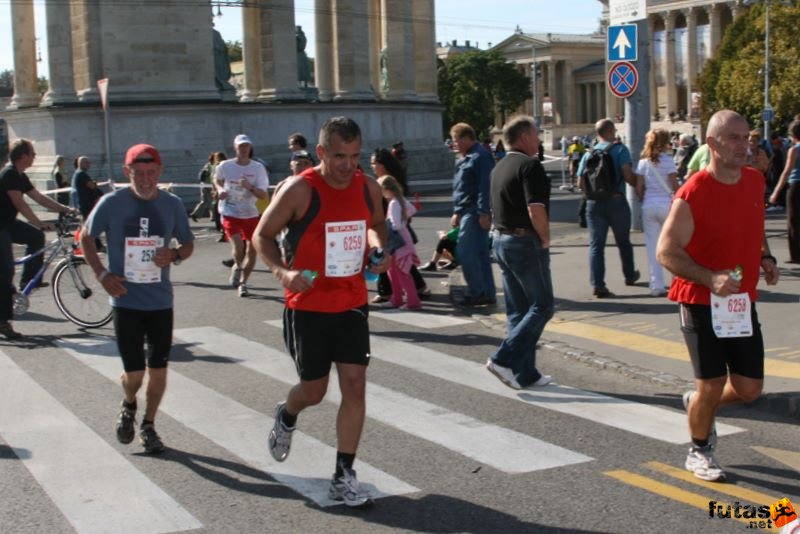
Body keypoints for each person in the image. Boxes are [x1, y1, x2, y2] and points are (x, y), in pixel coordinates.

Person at [253, 116, 389, 508]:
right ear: (322, 152)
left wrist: (379, 249)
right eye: (340, 156)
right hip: (308, 304)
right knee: (314, 390)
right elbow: (262, 234)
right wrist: (283, 271)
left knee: (355, 384)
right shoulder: (300, 190)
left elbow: (377, 224)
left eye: (356, 155)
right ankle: (288, 413)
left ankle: (344, 475)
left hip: (351, 301)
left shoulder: (367, 187)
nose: (349, 165)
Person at [656, 110, 779, 483]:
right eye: (735, 138)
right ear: (712, 144)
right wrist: (710, 278)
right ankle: (699, 449)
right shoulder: (694, 191)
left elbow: (754, 224)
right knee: (710, 383)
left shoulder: (755, 181)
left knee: (748, 388)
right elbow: (666, 251)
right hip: (698, 298)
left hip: (739, 302)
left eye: (747, 137)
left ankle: (697, 406)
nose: (746, 145)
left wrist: (765, 255)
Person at [80, 143, 194, 453]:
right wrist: (102, 275)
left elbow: (187, 244)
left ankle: (149, 425)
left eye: (151, 173)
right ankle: (129, 402)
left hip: (160, 302)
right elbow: (86, 236)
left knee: (158, 370)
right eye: (138, 173)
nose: (145, 180)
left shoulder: (171, 204)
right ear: (126, 172)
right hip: (125, 300)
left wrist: (173, 254)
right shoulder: (112, 202)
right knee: (134, 375)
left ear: (160, 172)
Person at [486, 116, 554, 389]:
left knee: (518, 310)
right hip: (525, 243)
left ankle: (526, 373)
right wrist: (546, 238)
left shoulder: (499, 167)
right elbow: (535, 209)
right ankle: (503, 358)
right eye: (536, 135)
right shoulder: (530, 166)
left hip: (501, 240)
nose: (539, 140)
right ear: (524, 137)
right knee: (543, 306)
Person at [0, 139, 74, 339]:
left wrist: (65, 208)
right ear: (23, 156)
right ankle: (3, 322)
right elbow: (19, 202)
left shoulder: (20, 175)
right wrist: (37, 221)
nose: (35, 157)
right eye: (33, 153)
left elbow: (39, 197)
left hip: (8, 223)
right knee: (6, 270)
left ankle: (27, 284)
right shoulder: (8, 174)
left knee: (36, 237)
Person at [577, 118, 640, 298]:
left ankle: (598, 284)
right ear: (612, 131)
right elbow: (628, 176)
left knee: (596, 245)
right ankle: (629, 275)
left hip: (594, 204)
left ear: (598, 133)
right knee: (623, 241)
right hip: (616, 201)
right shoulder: (620, 149)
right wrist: (640, 185)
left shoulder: (588, 154)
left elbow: (580, 182)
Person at [369, 148, 430, 303]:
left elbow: (397, 219)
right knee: (396, 268)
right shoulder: (391, 185)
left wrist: (395, 221)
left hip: (391, 233)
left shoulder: (390, 187)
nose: (372, 166)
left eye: (374, 163)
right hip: (395, 232)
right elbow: (410, 209)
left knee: (393, 265)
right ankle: (400, 293)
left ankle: (403, 296)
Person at [214, 134, 269, 297]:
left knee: (252, 251)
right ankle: (238, 265)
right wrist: (220, 190)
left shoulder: (257, 168)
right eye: (241, 147)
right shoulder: (225, 165)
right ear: (235, 149)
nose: (244, 150)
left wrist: (249, 186)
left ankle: (243, 283)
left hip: (250, 213)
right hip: (230, 211)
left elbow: (262, 194)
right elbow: (217, 179)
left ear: (250, 148)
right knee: (239, 246)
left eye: (246, 146)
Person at [450, 122, 496, 306]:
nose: (454, 144)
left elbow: (484, 188)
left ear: (467, 138)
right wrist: (458, 211)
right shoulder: (468, 156)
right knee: (480, 254)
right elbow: (463, 188)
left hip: (475, 211)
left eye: (456, 140)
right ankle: (486, 292)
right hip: (468, 210)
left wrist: (484, 212)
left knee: (466, 252)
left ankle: (477, 291)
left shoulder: (480, 157)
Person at [634, 129, 679, 297]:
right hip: (667, 206)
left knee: (653, 247)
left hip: (649, 206)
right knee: (672, 246)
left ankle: (656, 285)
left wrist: (643, 198)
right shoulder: (668, 161)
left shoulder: (643, 163)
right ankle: (676, 282)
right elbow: (674, 186)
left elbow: (639, 188)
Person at [377, 174, 421, 310]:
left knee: (400, 273)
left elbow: (396, 225)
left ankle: (412, 302)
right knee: (396, 271)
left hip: (397, 242)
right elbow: (413, 210)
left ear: (386, 189)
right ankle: (397, 299)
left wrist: (390, 223)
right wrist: (405, 218)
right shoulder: (401, 200)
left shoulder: (394, 203)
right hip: (404, 239)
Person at [768, 119, 800, 263]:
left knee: (793, 220)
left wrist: (776, 192)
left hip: (795, 186)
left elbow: (786, 172)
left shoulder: (794, 150)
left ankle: (796, 255)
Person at [190, 153, 215, 222]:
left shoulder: (206, 165)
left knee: (203, 201)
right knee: (213, 201)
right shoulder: (213, 166)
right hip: (210, 185)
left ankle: (195, 214)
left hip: (203, 185)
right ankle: (213, 216)